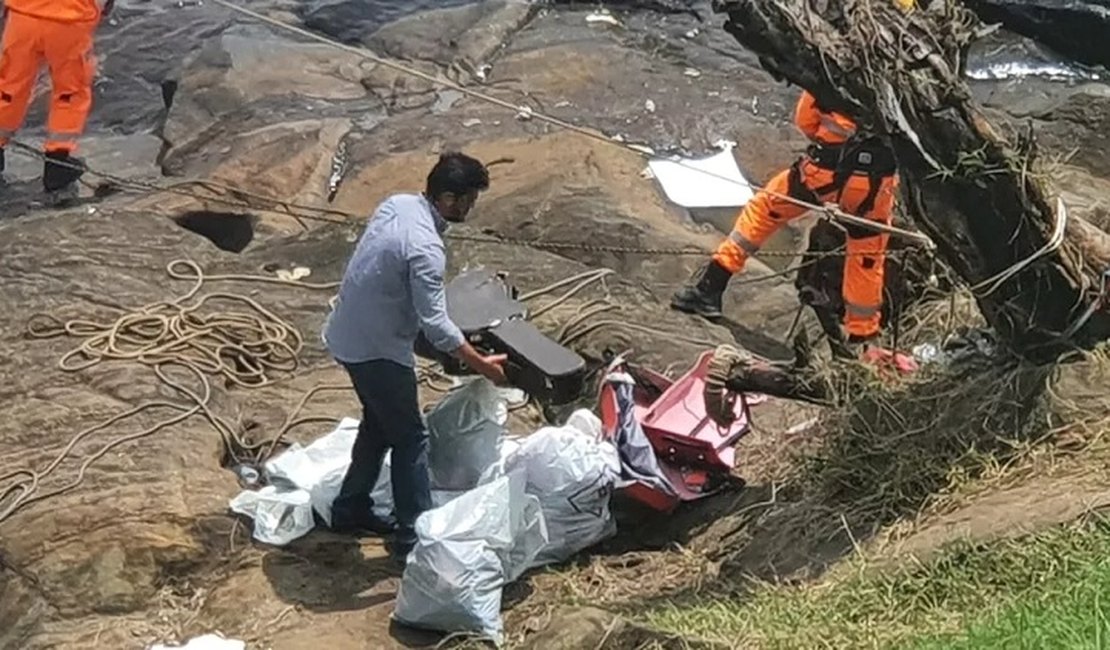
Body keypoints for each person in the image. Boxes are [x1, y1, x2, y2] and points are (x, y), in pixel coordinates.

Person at [322, 151, 508, 559]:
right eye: (468, 199)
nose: (470, 207)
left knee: (378, 424)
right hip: (377, 350)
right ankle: (414, 537)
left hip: (348, 333)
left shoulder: (398, 204)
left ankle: (350, 508)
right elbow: (436, 322)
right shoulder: (426, 247)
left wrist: (441, 348)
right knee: (411, 438)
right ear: (446, 198)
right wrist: (480, 365)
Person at [671, 89, 899, 349]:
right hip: (874, 188)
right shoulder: (898, 87)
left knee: (764, 209)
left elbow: (805, 120)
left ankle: (710, 287)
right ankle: (863, 338)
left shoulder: (827, 76)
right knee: (867, 255)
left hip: (824, 174)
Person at [0, 0, 113, 191]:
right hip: (69, 20)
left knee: (8, 89)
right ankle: (58, 164)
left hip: (23, 16)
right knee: (69, 93)